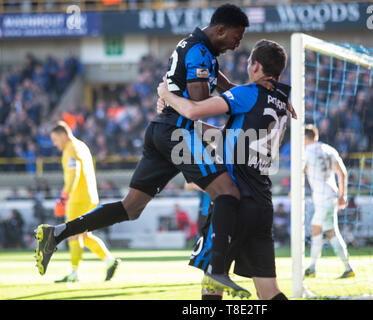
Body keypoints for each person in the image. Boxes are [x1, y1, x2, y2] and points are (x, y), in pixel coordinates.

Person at [34, 4, 254, 297]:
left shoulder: (202, 51)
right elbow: (200, 103)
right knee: (228, 194)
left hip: (162, 131)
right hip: (178, 133)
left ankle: (57, 232)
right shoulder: (199, 51)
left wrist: (253, 98)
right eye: (236, 37)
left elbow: (228, 91)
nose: (237, 44)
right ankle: (216, 272)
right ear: (221, 29)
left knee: (131, 207)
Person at [157, 39, 291, 300]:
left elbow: (193, 110)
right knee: (269, 291)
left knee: (212, 284)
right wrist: (194, 131)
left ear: (255, 66)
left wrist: (166, 95)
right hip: (262, 201)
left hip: (236, 200)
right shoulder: (281, 103)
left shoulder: (247, 93)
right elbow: (235, 137)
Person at [35, 121, 120, 282]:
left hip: (77, 198)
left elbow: (75, 173)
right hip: (90, 196)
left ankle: (74, 273)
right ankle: (109, 261)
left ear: (63, 135)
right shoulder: (81, 146)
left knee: (73, 235)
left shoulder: (70, 149)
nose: (54, 143)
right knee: (84, 235)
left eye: (55, 139)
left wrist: (63, 196)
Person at [303, 124, 355, 279]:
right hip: (332, 194)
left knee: (322, 230)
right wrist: (342, 194)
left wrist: (294, 190)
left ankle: (343, 267)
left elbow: (300, 171)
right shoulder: (329, 149)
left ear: (306, 138)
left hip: (322, 197)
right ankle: (315, 268)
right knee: (324, 231)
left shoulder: (306, 151)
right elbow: (342, 172)